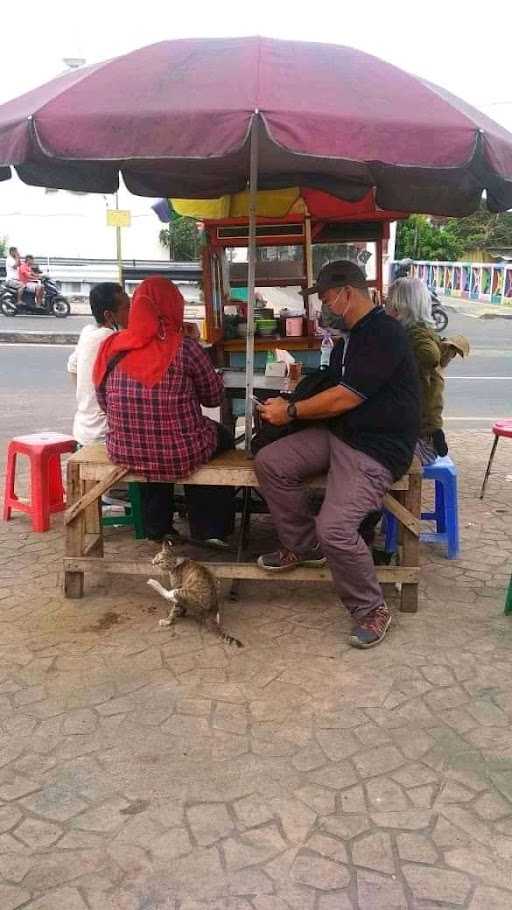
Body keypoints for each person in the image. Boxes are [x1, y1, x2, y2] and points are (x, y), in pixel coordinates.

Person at [254, 260, 421, 650]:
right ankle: (303, 546)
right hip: (342, 434)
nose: (325, 306)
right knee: (271, 462)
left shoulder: (383, 333)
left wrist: (291, 411)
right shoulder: (352, 336)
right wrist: (293, 398)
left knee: (336, 529)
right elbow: (334, 386)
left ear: (348, 293)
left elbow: (347, 396)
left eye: (328, 298)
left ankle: (370, 608)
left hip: (376, 447)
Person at [94, 276, 235, 545]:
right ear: (172, 306)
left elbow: (104, 403)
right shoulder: (185, 348)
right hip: (179, 451)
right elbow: (214, 398)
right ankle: (210, 529)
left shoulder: (112, 347)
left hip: (124, 449)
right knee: (221, 437)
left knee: (149, 443)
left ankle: (157, 527)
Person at [386, 277, 469, 465]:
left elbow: (430, 356)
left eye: (388, 303)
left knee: (367, 458)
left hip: (421, 442)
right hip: (417, 434)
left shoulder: (416, 335)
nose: (385, 308)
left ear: (400, 307)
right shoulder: (419, 332)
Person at [67, 282, 131, 446]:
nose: (132, 313)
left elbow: (72, 367)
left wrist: (87, 400)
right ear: (109, 315)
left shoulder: (87, 332)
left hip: (82, 430)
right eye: (127, 308)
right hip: (105, 435)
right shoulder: (114, 340)